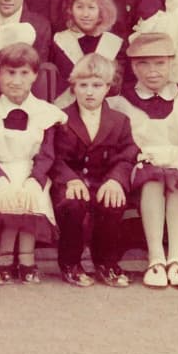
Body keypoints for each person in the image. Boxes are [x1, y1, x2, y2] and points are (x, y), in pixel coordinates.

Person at [107, 33, 178, 289]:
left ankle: (175, 259)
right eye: (143, 64)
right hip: (140, 162)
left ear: (171, 63)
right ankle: (155, 258)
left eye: (159, 64)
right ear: (132, 66)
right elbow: (119, 143)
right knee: (153, 180)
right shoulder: (120, 101)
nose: (152, 71)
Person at [0, 43, 66, 285]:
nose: (16, 80)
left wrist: (35, 181)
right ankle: (3, 254)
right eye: (10, 73)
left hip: (31, 172)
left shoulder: (46, 112)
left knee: (28, 197)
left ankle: (26, 254)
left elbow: (47, 155)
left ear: (35, 75)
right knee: (9, 197)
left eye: (24, 73)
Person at [51, 53, 137, 288]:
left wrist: (116, 180)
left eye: (97, 85)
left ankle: (106, 262)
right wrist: (69, 179)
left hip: (103, 181)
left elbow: (127, 154)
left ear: (108, 87)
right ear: (73, 87)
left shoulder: (119, 120)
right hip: (70, 182)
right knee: (72, 204)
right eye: (83, 85)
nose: (90, 92)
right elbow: (54, 157)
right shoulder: (61, 118)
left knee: (113, 201)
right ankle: (70, 263)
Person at [49, 0, 123, 107]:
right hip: (67, 107)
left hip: (106, 109)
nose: (85, 14)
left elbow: (117, 86)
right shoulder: (59, 41)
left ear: (101, 12)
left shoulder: (114, 43)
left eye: (91, 8)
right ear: (70, 10)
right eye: (79, 7)